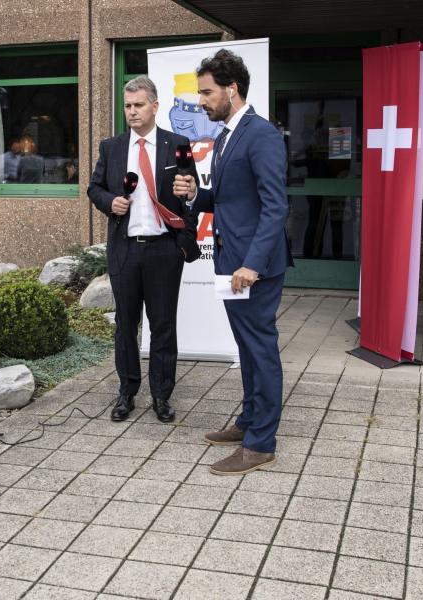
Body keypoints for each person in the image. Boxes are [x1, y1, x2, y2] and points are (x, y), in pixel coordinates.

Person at [174, 49, 293, 475]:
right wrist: (196, 194)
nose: (201, 101)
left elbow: (275, 206)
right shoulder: (227, 136)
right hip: (231, 262)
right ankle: (248, 423)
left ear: (232, 88)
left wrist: (252, 264)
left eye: (206, 92)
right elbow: (229, 199)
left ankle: (261, 444)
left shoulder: (260, 135)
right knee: (247, 348)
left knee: (261, 351)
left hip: (251, 269)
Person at [88, 75, 201, 424]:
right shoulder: (112, 147)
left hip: (164, 250)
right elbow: (94, 188)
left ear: (155, 106)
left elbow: (190, 196)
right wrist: (111, 203)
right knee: (126, 324)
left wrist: (184, 241)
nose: (132, 112)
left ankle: (162, 396)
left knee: (163, 325)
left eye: (139, 105)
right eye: (128, 106)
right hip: (125, 250)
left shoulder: (177, 144)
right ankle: (127, 392)